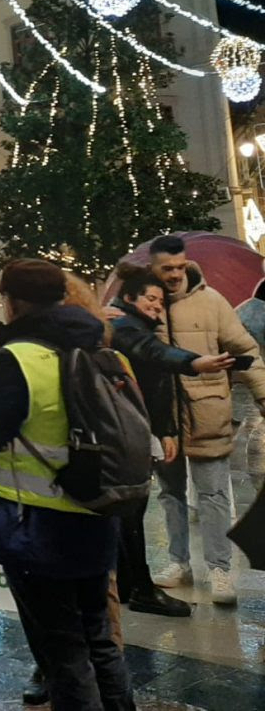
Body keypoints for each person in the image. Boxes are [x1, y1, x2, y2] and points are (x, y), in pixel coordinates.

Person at [0, 258, 135, 711]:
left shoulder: (20, 359)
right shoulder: (104, 350)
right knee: (99, 639)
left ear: (16, 303)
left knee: (62, 654)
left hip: (36, 529)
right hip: (96, 514)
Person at [147, 235, 265, 604]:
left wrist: (263, 394)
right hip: (162, 418)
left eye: (180, 266)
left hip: (207, 411)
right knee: (170, 493)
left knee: (213, 494)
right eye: (167, 268)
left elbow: (246, 350)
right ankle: (179, 562)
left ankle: (219, 568)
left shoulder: (212, 302)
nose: (175, 274)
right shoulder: (144, 306)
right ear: (153, 268)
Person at [108, 267, 233, 617]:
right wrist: (196, 362)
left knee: (198, 496)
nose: (157, 306)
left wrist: (165, 429)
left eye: (161, 302)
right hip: (133, 432)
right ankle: (142, 586)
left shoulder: (144, 323)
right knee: (136, 507)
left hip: (165, 427)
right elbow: (154, 356)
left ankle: (136, 584)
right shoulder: (123, 327)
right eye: (150, 299)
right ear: (129, 298)